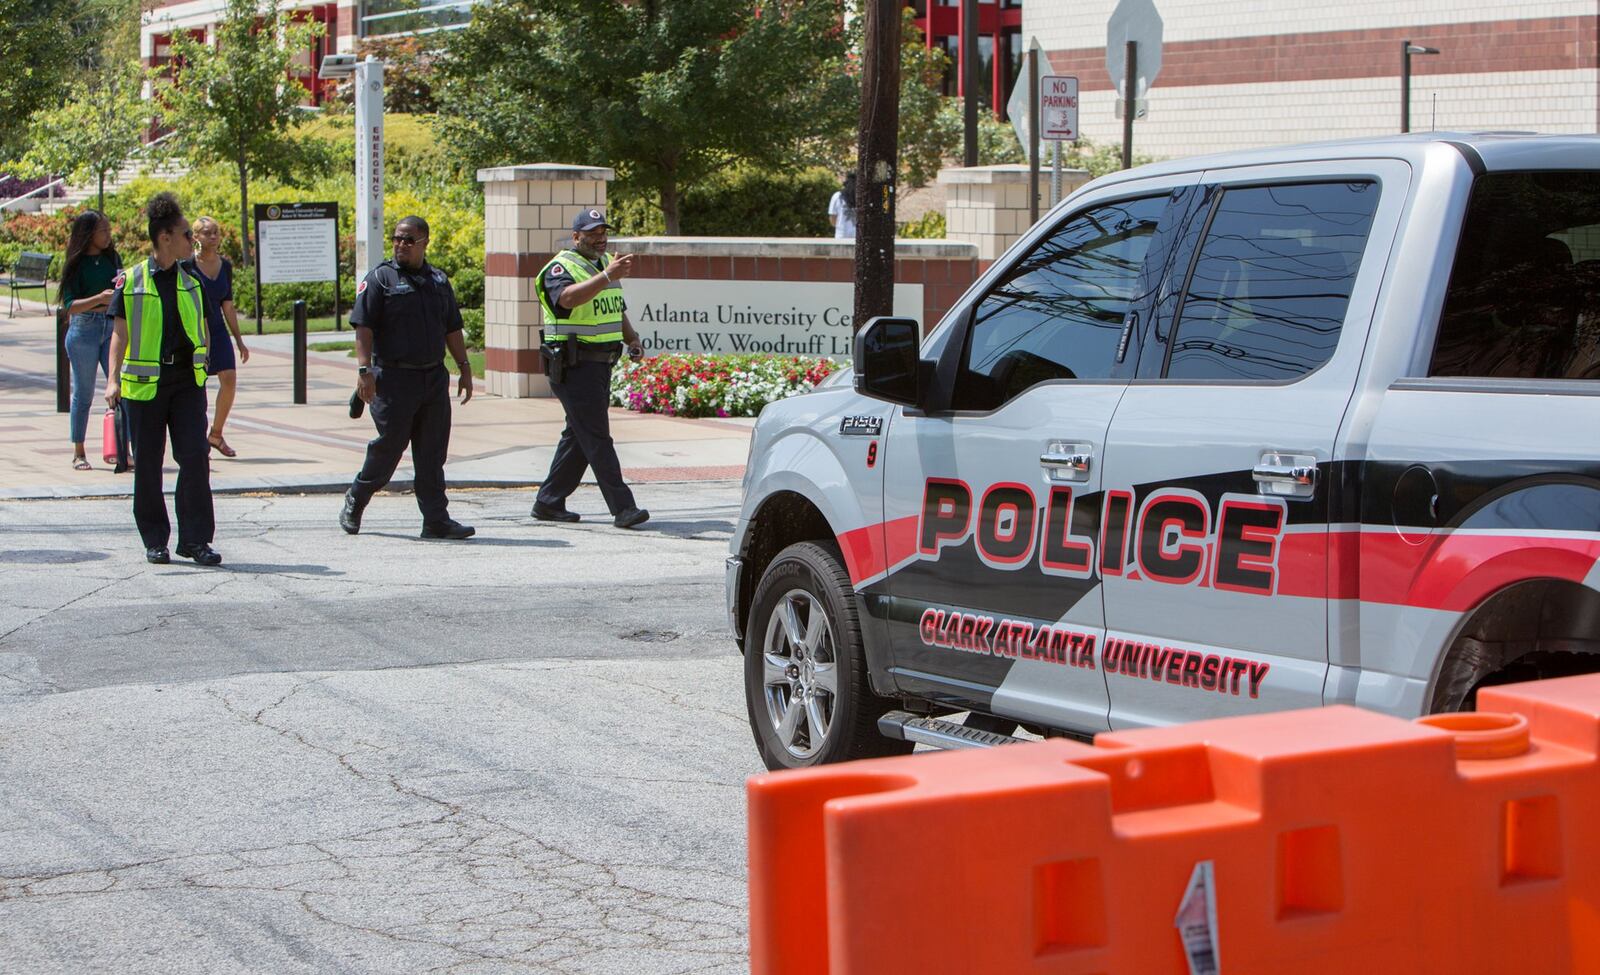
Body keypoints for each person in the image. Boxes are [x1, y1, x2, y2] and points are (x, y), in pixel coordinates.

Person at [339, 215, 475, 540]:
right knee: (389, 449)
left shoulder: (439, 281)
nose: (401, 244)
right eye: (397, 238)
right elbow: (363, 327)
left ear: (425, 243)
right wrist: (364, 371)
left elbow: (452, 328)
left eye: (408, 240)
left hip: (432, 379)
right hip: (393, 379)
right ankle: (356, 498)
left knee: (432, 453)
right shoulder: (380, 280)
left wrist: (465, 367)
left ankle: (436, 520)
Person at [104, 192, 220, 566]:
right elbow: (119, 333)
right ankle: (155, 539)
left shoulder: (192, 282)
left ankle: (196, 540)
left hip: (187, 383)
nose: (194, 240)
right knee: (149, 465)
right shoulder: (132, 280)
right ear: (166, 237)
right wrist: (112, 381)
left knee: (196, 457)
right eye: (188, 234)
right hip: (144, 387)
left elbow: (200, 330)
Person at [530, 208, 649, 529]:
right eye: (593, 233)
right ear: (576, 236)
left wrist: (632, 337)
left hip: (599, 365)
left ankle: (549, 501)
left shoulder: (602, 266)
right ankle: (623, 507)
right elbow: (566, 299)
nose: (600, 238)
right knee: (597, 437)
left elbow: (614, 307)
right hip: (573, 365)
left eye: (603, 232)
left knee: (579, 435)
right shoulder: (561, 267)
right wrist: (608, 275)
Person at [59, 210, 120, 471]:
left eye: (108, 229)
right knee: (83, 394)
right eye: (102, 230)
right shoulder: (75, 263)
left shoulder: (112, 258)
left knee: (118, 389)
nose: (108, 235)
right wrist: (99, 298)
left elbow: (121, 287)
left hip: (111, 326)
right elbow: (70, 306)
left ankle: (121, 446)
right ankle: (79, 451)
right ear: (88, 234)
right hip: (83, 331)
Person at [186, 216, 248, 457]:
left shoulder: (226, 266)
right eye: (207, 233)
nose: (213, 237)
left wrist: (239, 341)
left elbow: (228, 306)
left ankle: (216, 434)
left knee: (229, 378)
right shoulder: (187, 266)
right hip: (196, 330)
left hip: (218, 328)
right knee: (196, 384)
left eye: (216, 233)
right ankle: (194, 437)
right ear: (196, 237)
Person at [828, 171, 857, 239]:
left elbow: (832, 219)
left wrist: (840, 226)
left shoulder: (837, 196)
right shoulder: (862, 198)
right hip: (858, 237)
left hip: (841, 236)